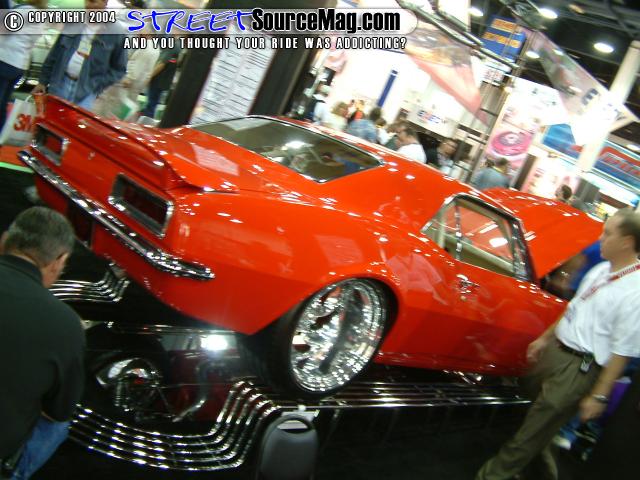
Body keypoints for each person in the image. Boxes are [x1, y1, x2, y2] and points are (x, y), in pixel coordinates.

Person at [476, 208, 640, 480]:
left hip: (579, 369)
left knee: (531, 432)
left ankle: (493, 475)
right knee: (537, 423)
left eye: (608, 233)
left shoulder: (635, 291)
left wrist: (599, 395)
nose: (600, 238)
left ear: (627, 242)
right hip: (557, 352)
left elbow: (621, 351)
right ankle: (544, 471)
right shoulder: (602, 270)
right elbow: (574, 307)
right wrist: (545, 338)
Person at [0, 207, 85, 480]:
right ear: (59, 261)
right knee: (57, 426)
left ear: (5, 240)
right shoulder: (66, 324)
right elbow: (59, 411)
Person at [31, 0, 127, 111]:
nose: (88, 5)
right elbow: (55, 52)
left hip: (86, 94)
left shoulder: (116, 32)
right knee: (51, 118)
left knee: (75, 121)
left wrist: (97, 85)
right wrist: (42, 81)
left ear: (105, 2)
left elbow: (119, 69)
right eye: (86, 1)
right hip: (59, 84)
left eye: (93, 1)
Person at [93, 27, 160, 119]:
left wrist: (127, 78)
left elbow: (137, 67)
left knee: (112, 109)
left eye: (142, 29)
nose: (139, 31)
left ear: (149, 32)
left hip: (129, 84)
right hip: (135, 85)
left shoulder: (148, 49)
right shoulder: (153, 47)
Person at [0, 0, 47, 132]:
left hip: (5, 60)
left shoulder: (24, 10)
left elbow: (5, 29)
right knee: (3, 104)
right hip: (19, 64)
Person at [140, 37, 182, 119]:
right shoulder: (179, 46)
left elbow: (162, 64)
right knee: (153, 103)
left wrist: (149, 76)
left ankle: (146, 120)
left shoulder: (173, 45)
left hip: (158, 80)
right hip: (164, 81)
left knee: (151, 104)